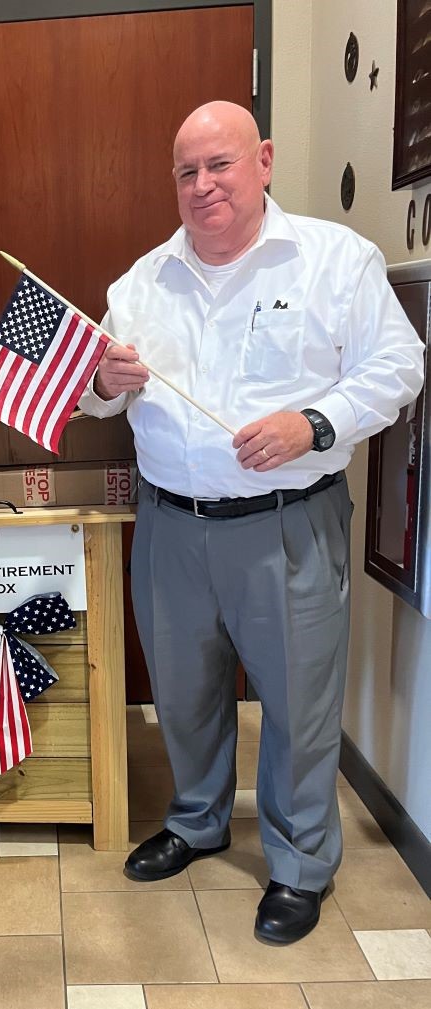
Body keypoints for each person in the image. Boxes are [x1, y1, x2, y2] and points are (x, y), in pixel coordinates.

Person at [80, 101, 424, 944]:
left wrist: (312, 423)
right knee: (185, 694)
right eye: (187, 171)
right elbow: (90, 395)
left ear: (263, 160)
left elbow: (399, 365)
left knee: (299, 705)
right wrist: (103, 380)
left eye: (220, 165)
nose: (203, 186)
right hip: (169, 526)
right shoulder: (140, 281)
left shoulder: (333, 261)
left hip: (287, 525)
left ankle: (301, 861)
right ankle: (197, 823)